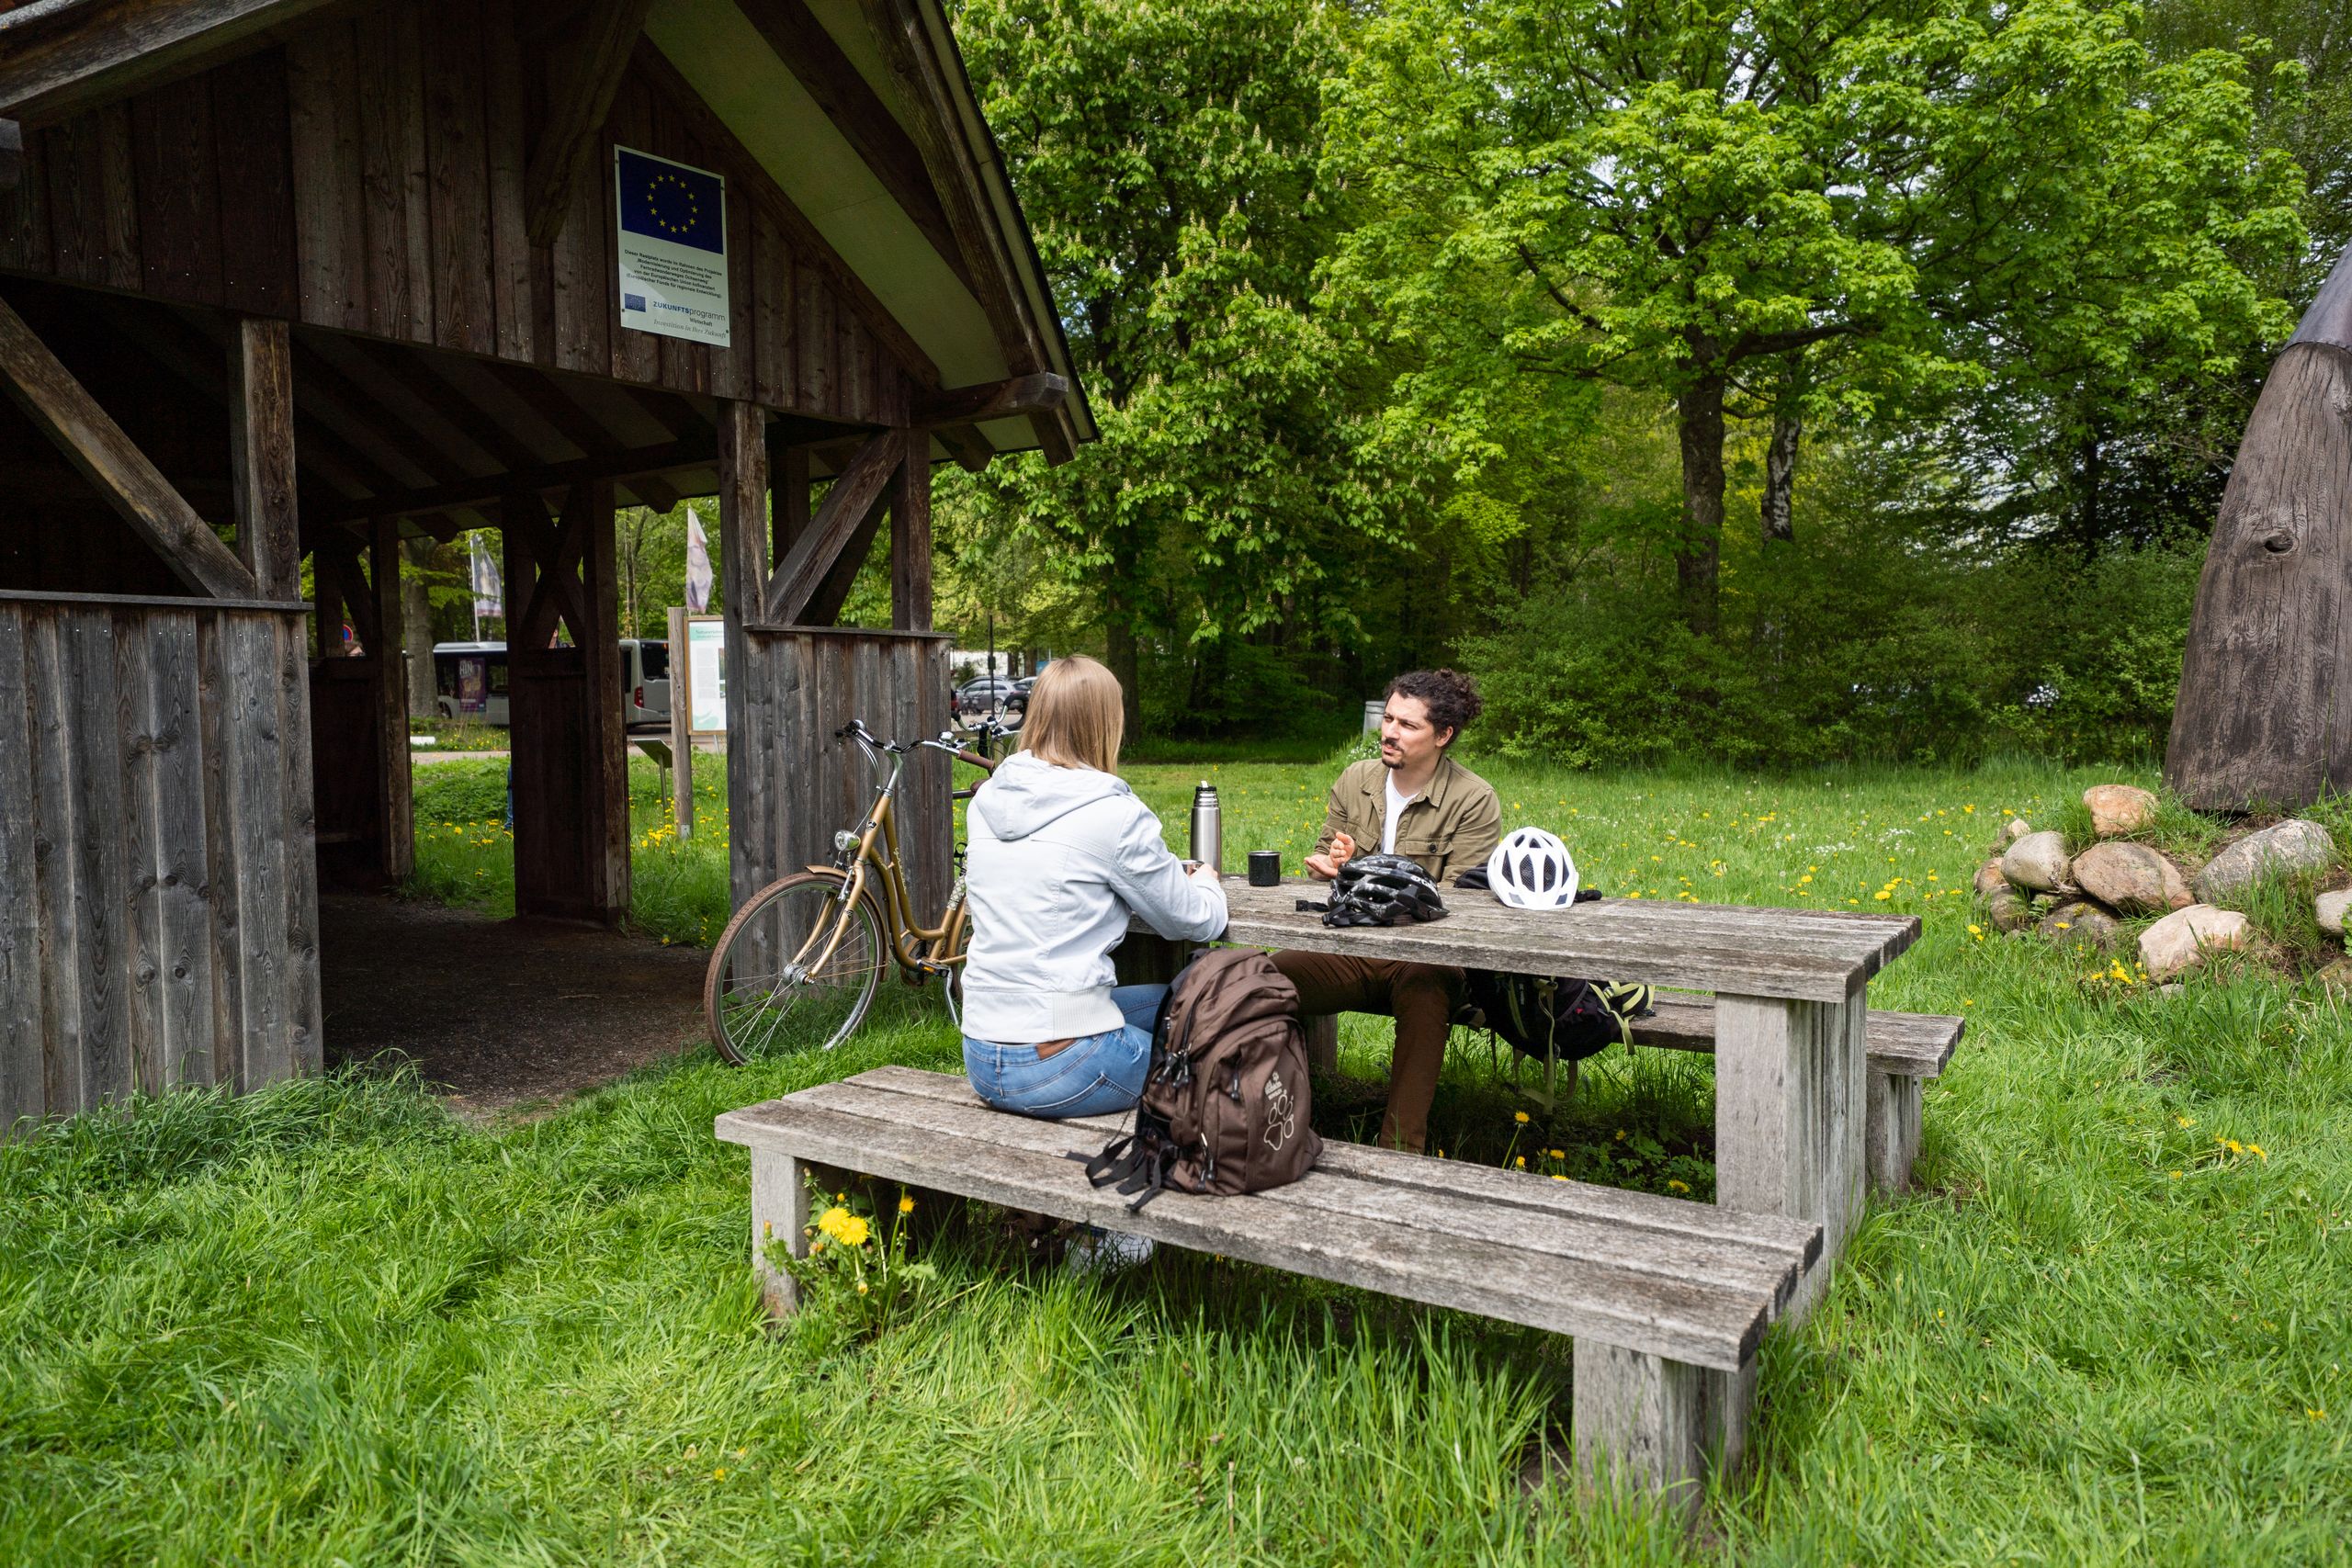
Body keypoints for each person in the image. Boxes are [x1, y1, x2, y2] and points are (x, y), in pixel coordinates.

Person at [960, 655, 1227, 1119]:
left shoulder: (988, 802)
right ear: (1106, 723)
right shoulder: (1113, 813)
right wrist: (1205, 882)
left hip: (982, 1051)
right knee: (1220, 1067)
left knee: (1181, 1001)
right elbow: (1192, 920)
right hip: (1056, 1061)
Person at [1279, 668, 1500, 1153]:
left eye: (1407, 725)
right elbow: (1326, 852)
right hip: (1349, 947)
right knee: (1258, 981)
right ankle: (1268, 1121)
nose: (1389, 732)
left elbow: (1461, 904)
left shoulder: (1473, 799)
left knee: (1425, 986)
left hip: (1425, 956)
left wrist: (1363, 877)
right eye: (1389, 718)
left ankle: (1399, 1157)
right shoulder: (1357, 779)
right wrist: (1334, 862)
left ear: (1444, 735)